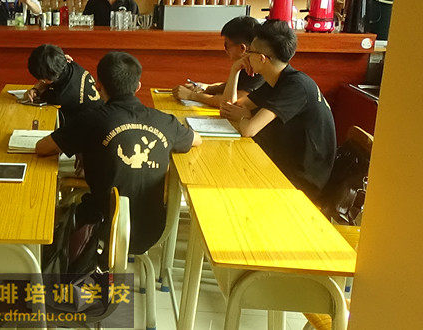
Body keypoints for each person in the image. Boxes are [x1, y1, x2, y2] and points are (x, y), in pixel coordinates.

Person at [35, 52, 201, 254]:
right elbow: (197, 139)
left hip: (101, 228)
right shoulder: (166, 122)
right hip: (152, 230)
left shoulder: (90, 120)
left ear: (98, 85)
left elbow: (42, 148)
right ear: (138, 86)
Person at [219, 20, 336, 201]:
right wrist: (235, 70)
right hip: (281, 161)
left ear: (261, 58)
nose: (246, 56)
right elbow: (229, 108)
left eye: (250, 51)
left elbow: (249, 129)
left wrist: (244, 117)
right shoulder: (278, 79)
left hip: (302, 181)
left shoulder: (296, 86)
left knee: (228, 177)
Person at [172, 16, 264, 108]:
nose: (225, 50)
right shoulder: (246, 64)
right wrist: (205, 88)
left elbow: (232, 103)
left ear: (242, 48)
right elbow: (231, 87)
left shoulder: (258, 68)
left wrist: (191, 95)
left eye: (226, 45)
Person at [25, 44, 102, 125]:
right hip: (100, 112)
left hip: (88, 126)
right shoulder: (71, 64)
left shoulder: (59, 95)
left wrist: (36, 89)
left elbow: (40, 92)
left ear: (45, 80)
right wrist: (36, 88)